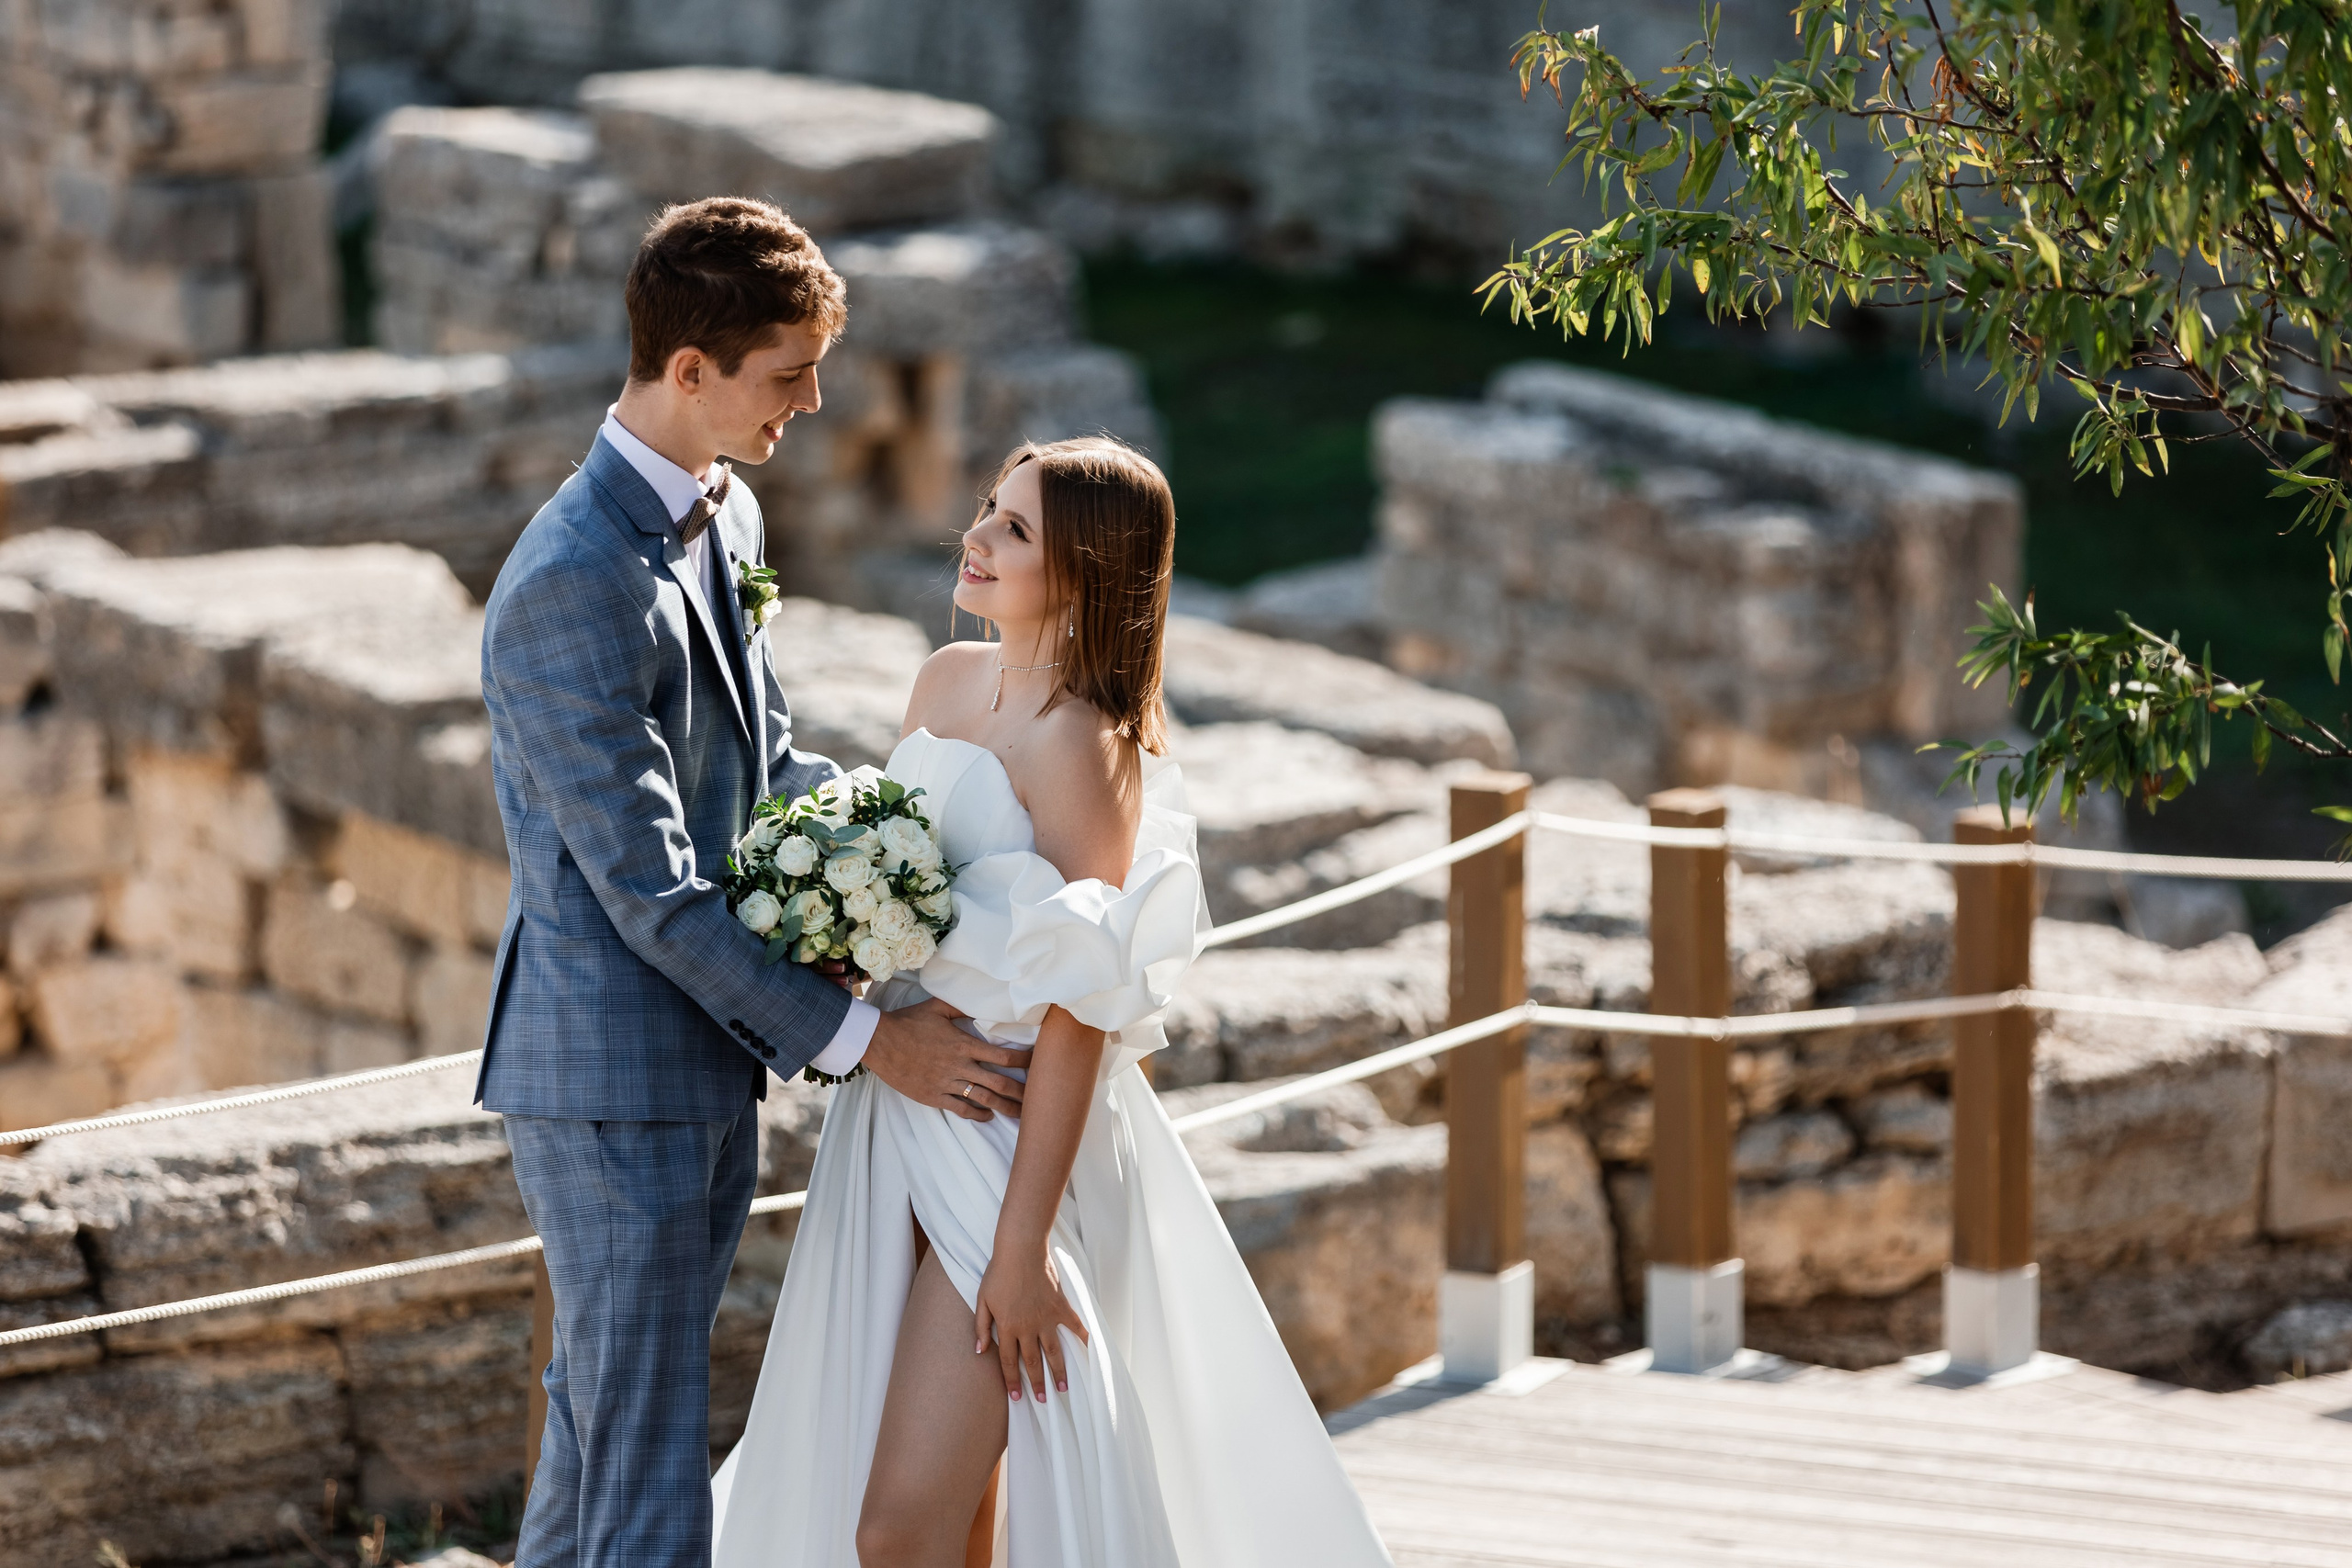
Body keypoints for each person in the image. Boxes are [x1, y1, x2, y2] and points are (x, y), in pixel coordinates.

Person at [710, 438, 1394, 1567]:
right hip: (894, 1120)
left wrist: (1019, 1250)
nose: (974, 536)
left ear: (1084, 568)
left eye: (1015, 529)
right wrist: (834, 938)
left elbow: (1086, 1009)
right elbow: (903, 893)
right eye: (987, 509)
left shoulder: (1087, 744)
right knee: (947, 1509)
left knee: (894, 1531)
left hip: (1008, 1138)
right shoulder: (942, 681)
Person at [475, 196, 1032, 1568]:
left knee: (605, 1425)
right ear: (690, 371)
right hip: (608, 1077)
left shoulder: (726, 511)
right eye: (787, 374)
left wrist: (893, 860)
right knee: (649, 1447)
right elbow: (651, 891)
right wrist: (867, 1042)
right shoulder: (567, 581)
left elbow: (770, 762)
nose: (817, 399)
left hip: (701, 1056)